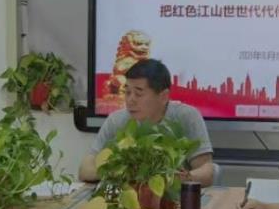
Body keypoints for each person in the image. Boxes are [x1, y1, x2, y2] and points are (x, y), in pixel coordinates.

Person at [78, 58, 214, 185]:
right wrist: (116, 173)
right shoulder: (116, 121)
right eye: (127, 92)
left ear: (163, 96)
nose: (130, 100)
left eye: (138, 94)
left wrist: (184, 178)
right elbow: (85, 169)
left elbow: (207, 172)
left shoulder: (186, 117)